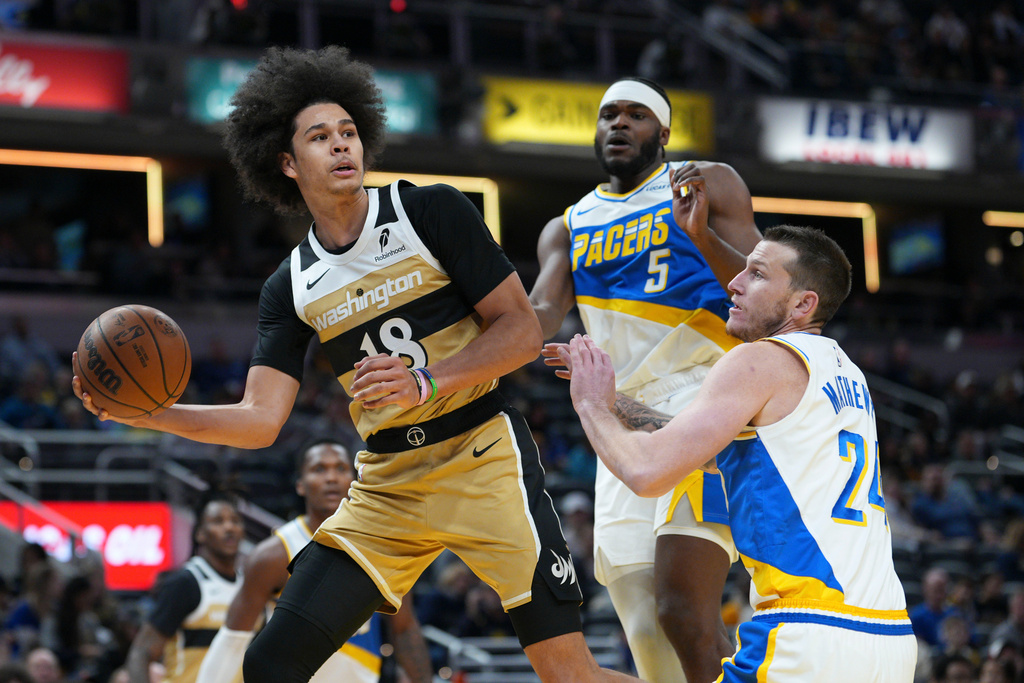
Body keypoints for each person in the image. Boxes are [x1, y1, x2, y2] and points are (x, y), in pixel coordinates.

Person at [73, 46, 638, 683]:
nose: (341, 145)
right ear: (286, 163)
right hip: (389, 484)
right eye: (320, 136)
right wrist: (156, 414)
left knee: (568, 672)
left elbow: (523, 331)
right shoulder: (289, 285)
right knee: (269, 665)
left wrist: (427, 375)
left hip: (484, 459)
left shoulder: (431, 211)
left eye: (348, 132)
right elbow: (260, 421)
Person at [555, 191, 917, 680]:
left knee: (583, 675)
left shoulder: (757, 360)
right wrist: (618, 399)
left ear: (803, 303)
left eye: (758, 274)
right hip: (889, 639)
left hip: (806, 636)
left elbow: (646, 471)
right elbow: (697, 449)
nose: (734, 281)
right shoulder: (845, 374)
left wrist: (591, 405)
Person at [529, 75, 761, 681]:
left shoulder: (707, 182)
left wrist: (701, 236)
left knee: (682, 608)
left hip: (703, 395)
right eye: (609, 115)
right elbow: (538, 317)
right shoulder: (568, 225)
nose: (619, 125)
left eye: (635, 115)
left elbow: (767, 293)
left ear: (664, 131)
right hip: (619, 414)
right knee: (644, 626)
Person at [195, 439, 433, 683]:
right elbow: (233, 639)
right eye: (319, 469)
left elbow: (404, 629)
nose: (331, 478)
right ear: (300, 484)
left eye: (340, 469)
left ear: (355, 479)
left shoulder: (380, 546)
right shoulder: (273, 554)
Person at [123, 493, 243, 683]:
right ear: (200, 533)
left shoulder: (250, 586)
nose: (229, 527)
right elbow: (140, 655)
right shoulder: (185, 583)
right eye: (218, 521)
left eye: (235, 521)